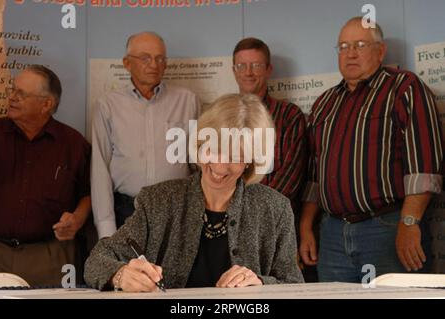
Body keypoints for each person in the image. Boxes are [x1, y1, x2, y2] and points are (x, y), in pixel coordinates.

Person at [84, 94, 304, 291]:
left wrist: (261, 282)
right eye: (213, 149)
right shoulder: (158, 200)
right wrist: (120, 275)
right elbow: (96, 261)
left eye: (234, 156)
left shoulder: (275, 208)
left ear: (250, 161)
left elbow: (293, 284)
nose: (219, 165)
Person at [299, 17, 443, 282]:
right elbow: (315, 175)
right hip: (332, 234)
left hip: (387, 227)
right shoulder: (324, 102)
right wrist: (306, 226)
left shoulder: (404, 88)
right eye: (343, 46)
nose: (350, 53)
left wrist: (409, 223)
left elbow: (424, 167)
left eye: (360, 45)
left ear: (381, 51)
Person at [91, 32, 200, 239]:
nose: (154, 65)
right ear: (127, 63)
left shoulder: (188, 101)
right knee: (131, 272)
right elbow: (100, 169)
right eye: (145, 58)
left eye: (160, 58)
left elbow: (198, 164)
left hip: (176, 212)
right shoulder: (108, 105)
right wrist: (106, 230)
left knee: (176, 272)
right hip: (127, 212)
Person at [0, 65, 91, 286]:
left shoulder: (73, 144)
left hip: (49, 256)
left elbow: (88, 193)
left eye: (22, 94)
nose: (12, 98)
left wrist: (77, 219)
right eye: (13, 90)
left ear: (47, 104)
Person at [232, 38, 307, 211]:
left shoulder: (290, 116)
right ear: (234, 71)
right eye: (241, 66)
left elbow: (290, 179)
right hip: (230, 222)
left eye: (256, 65)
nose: (248, 72)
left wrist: (252, 212)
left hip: (273, 221)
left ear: (268, 70)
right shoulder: (222, 118)